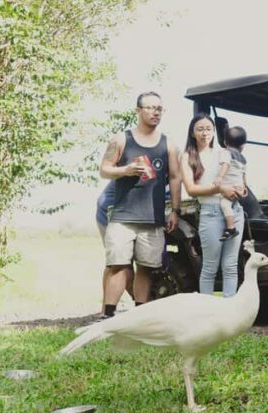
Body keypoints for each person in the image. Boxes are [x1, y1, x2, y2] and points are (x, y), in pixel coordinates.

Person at [99, 92, 181, 318]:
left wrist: (175, 210)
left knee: (146, 268)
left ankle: (140, 315)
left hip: (153, 218)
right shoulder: (121, 140)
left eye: (159, 109)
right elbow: (104, 169)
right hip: (123, 216)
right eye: (150, 108)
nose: (155, 112)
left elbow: (175, 177)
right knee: (118, 265)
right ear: (138, 110)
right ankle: (108, 314)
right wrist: (125, 170)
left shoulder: (169, 144)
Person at [180, 114, 244, 297]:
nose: (204, 133)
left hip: (235, 211)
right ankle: (206, 313)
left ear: (214, 131)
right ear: (192, 133)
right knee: (210, 266)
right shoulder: (187, 157)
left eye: (208, 129)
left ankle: (229, 311)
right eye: (200, 129)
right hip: (210, 213)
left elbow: (237, 176)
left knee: (230, 265)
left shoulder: (223, 153)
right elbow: (192, 190)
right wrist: (221, 189)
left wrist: (241, 189)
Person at [95, 181, 133, 317]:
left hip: (129, 212)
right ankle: (106, 311)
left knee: (119, 264)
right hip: (110, 212)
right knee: (119, 263)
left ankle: (106, 310)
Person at [215, 126, 248, 241]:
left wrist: (220, 177)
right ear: (243, 145)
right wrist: (244, 188)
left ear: (224, 142)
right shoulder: (243, 158)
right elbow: (243, 174)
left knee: (224, 204)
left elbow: (225, 165)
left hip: (230, 187)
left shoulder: (225, 152)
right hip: (238, 187)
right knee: (230, 204)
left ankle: (231, 227)